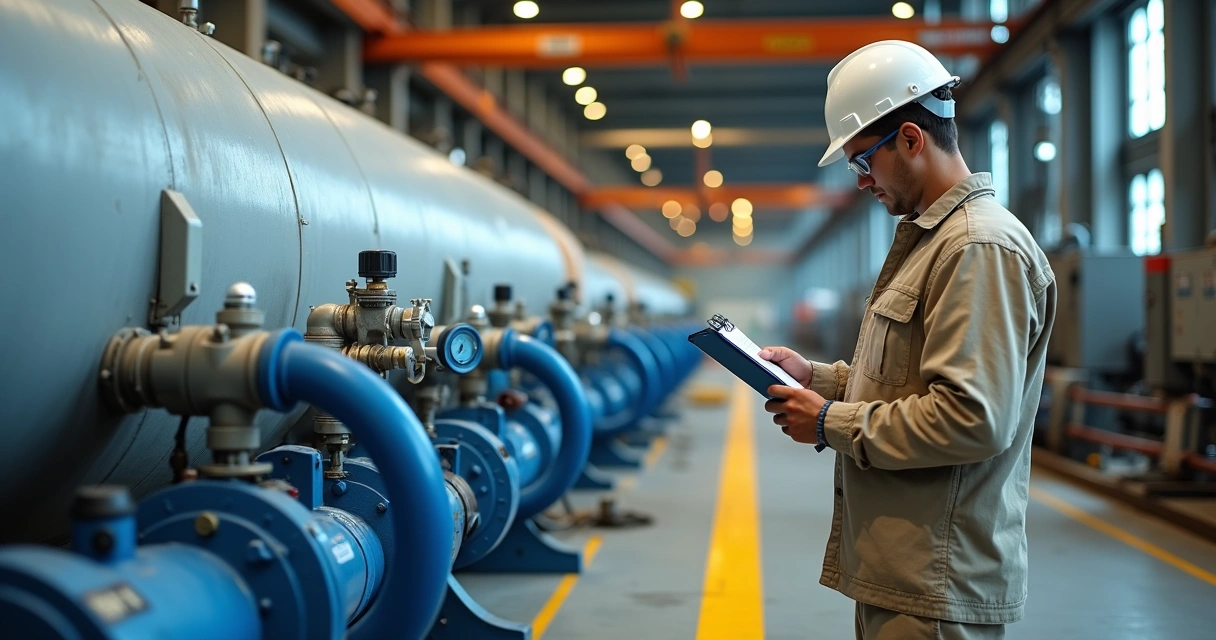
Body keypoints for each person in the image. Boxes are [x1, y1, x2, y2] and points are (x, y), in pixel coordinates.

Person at [759, 40, 1057, 640]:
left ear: (912, 140)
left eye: (863, 160)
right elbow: (905, 380)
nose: (862, 180)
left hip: (937, 581)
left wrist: (828, 424)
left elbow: (972, 418)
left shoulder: (976, 248)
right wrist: (815, 379)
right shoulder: (930, 242)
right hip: (904, 571)